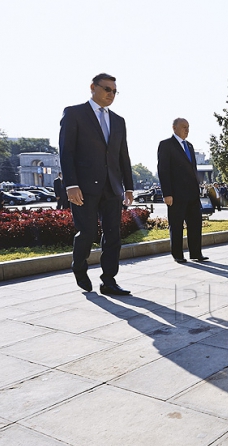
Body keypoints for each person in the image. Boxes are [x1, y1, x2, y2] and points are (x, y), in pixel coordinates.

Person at [59, 73, 134, 295]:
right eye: (107, 89)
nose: (111, 94)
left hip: (112, 187)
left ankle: (108, 281)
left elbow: (123, 156)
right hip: (83, 187)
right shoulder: (74, 114)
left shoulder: (119, 121)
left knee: (113, 235)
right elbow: (66, 151)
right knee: (87, 231)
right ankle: (79, 267)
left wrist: (128, 187)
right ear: (93, 87)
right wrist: (71, 184)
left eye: (114, 91)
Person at [157, 118, 208, 264]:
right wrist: (167, 193)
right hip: (176, 195)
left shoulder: (190, 146)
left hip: (192, 194)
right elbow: (163, 170)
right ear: (174, 128)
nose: (187, 130)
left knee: (195, 223)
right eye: (184, 127)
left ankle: (196, 253)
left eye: (188, 127)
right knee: (177, 224)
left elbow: (193, 170)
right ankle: (178, 254)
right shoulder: (166, 145)